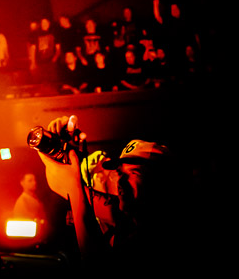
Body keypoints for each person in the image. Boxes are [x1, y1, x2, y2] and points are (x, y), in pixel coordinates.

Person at [33, 115, 180, 271]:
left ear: (160, 182)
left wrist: (74, 184)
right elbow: (61, 185)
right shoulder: (119, 212)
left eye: (134, 173)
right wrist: (53, 148)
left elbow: (98, 264)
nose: (121, 180)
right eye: (121, 171)